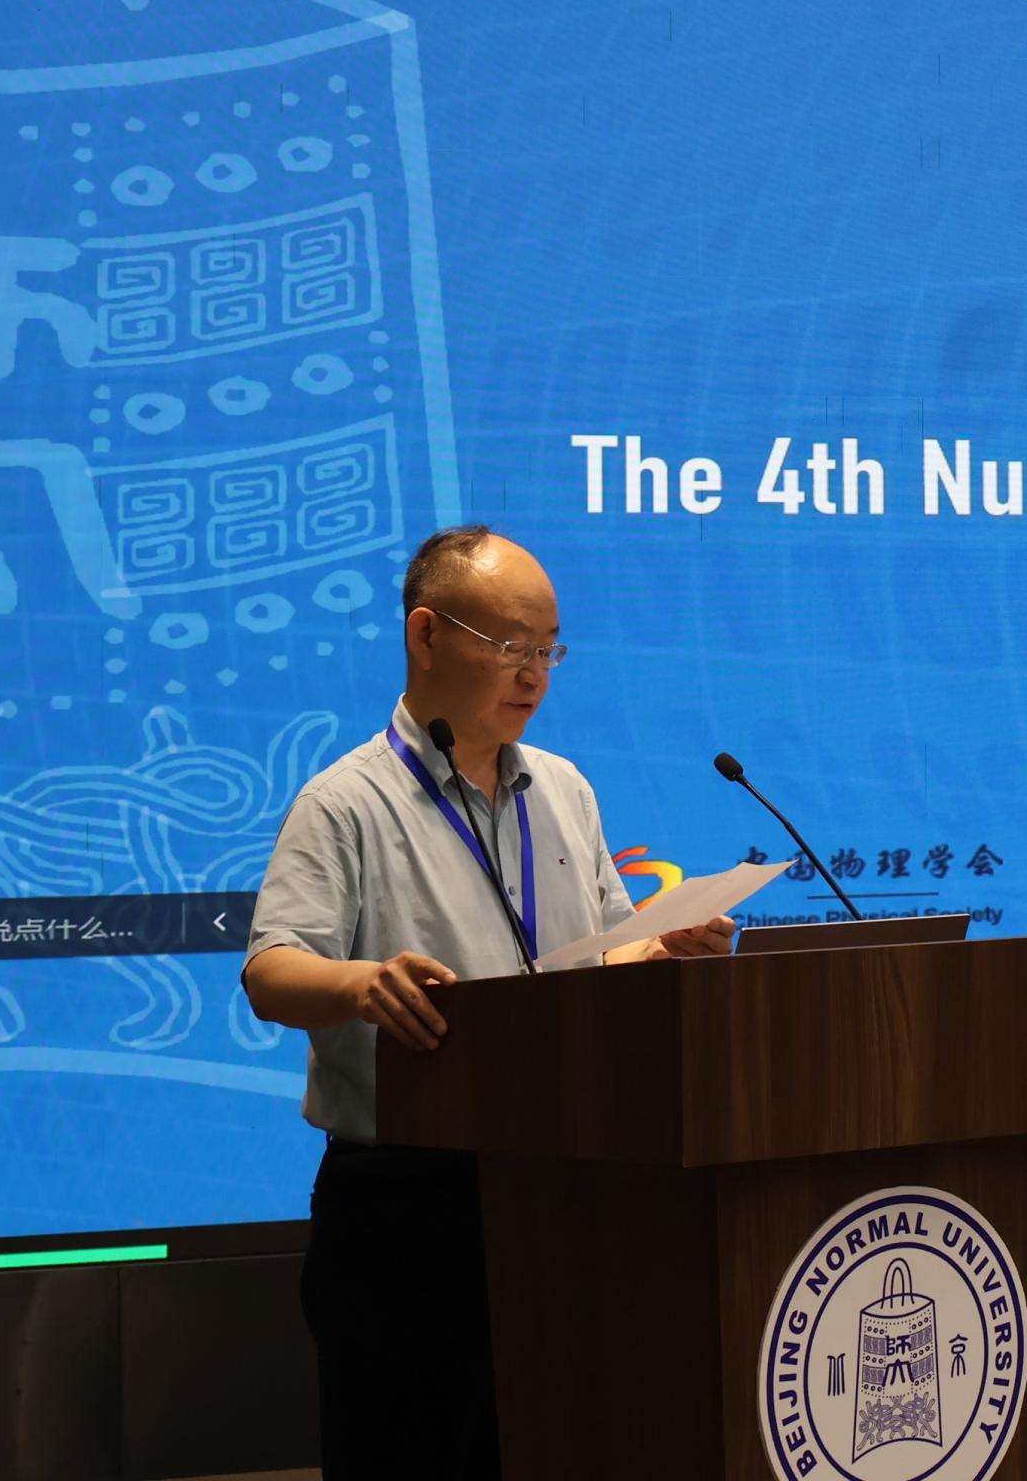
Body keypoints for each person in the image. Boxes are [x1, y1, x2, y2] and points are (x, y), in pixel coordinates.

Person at [241, 524, 734, 1481]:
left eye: (549, 649)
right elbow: (271, 971)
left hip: (567, 1181)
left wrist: (663, 948)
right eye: (512, 645)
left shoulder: (564, 789)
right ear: (426, 634)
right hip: (409, 1207)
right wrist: (362, 984)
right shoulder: (345, 802)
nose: (535, 674)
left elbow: (604, 950)